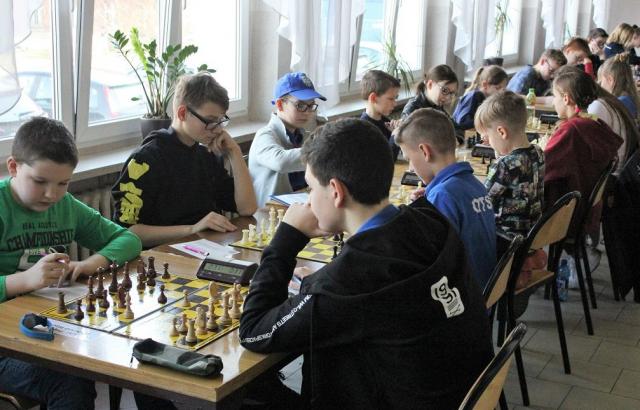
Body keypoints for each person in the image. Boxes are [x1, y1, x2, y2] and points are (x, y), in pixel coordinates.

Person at [240, 118, 493, 409]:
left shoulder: (344, 284)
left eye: (311, 188)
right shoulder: (432, 222)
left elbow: (254, 331)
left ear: (336, 191)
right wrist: (322, 285)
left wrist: (286, 240)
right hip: (456, 392)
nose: (308, 201)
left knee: (247, 394)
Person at [0, 117, 142, 410]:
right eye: (40, 182)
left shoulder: (65, 206)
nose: (52, 194)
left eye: (63, 183)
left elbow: (128, 240)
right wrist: (23, 281)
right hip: (5, 345)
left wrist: (90, 263)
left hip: (45, 326)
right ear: (13, 167)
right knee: (69, 381)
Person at [112, 72, 257, 247]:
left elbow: (247, 208)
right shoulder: (144, 160)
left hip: (206, 247)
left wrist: (235, 152)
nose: (218, 130)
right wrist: (192, 229)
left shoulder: (205, 154)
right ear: (182, 113)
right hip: (162, 254)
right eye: (210, 121)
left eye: (221, 121)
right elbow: (127, 232)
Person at [396, 108, 496, 288]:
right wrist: (427, 203)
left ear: (425, 152)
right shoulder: (475, 185)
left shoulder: (442, 196)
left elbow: (427, 260)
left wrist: (420, 214)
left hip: (464, 296)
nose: (410, 168)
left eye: (409, 158)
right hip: (487, 288)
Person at [545, 66, 623, 229]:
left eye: (555, 96)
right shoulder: (595, 122)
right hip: (585, 207)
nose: (553, 102)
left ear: (566, 99)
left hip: (565, 214)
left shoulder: (571, 131)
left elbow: (543, 168)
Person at [474, 91, 545, 257]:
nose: (487, 143)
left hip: (506, 242)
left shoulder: (505, 165)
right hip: (533, 236)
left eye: (487, 137)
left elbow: (482, 202)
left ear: (501, 132)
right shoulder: (538, 152)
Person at [249, 72, 326, 207]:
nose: (307, 112)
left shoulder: (303, 135)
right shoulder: (265, 135)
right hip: (269, 212)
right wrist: (323, 149)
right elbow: (281, 162)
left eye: (311, 105)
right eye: (300, 105)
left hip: (298, 204)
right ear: (280, 104)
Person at [360, 69, 401, 160]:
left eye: (396, 98)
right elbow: (385, 161)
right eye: (391, 99)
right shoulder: (364, 130)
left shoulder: (385, 122)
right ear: (373, 98)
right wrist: (395, 136)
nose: (395, 104)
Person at [452, 65, 508, 130]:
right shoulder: (475, 96)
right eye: (498, 88)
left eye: (503, 89)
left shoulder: (488, 99)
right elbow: (463, 122)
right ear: (485, 85)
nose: (501, 92)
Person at [597, 54, 640, 119]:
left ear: (610, 80)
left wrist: (583, 115)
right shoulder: (626, 98)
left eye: (601, 81)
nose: (601, 85)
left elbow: (600, 119)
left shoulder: (621, 102)